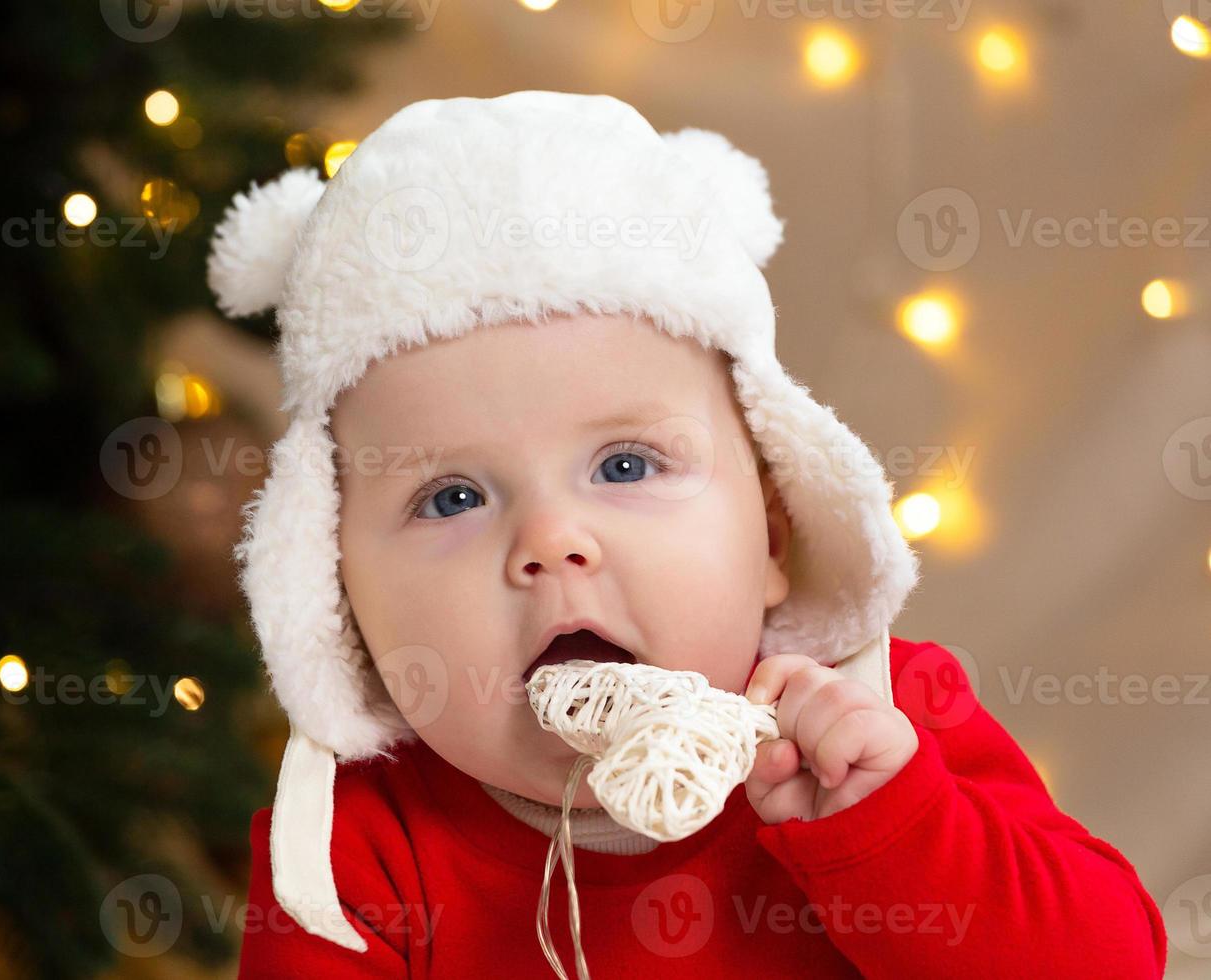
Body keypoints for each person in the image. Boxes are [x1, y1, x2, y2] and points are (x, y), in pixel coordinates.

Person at [206, 90, 1167, 977]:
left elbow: (1111, 962)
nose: (550, 541)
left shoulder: (882, 721)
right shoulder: (353, 849)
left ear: (775, 542)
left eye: (626, 467)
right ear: (341, 596)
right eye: (451, 498)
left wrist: (893, 830)